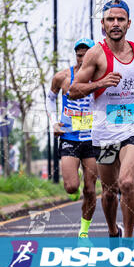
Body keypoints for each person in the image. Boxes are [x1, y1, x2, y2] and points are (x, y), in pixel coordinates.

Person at [69, 0, 134, 238]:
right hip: (105, 131)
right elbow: (74, 90)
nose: (115, 24)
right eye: (110, 19)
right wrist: (100, 83)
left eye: (120, 19)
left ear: (129, 23)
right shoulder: (96, 54)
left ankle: (128, 240)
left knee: (127, 182)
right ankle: (112, 230)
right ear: (103, 24)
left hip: (133, 126)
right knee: (109, 190)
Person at [46, 38, 98, 239]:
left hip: (92, 138)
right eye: (79, 54)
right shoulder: (63, 77)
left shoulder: (100, 77)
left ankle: (83, 232)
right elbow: (50, 99)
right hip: (69, 135)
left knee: (90, 189)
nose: (82, 58)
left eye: (87, 54)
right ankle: (74, 190)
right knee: (71, 187)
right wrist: (53, 122)